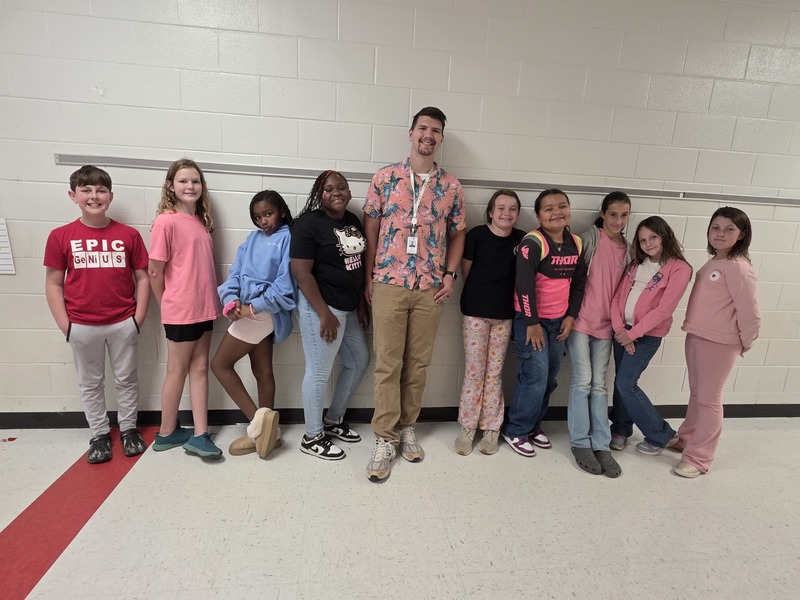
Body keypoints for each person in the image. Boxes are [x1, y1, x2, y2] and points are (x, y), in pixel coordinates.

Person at [362, 106, 466, 481]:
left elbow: (458, 233)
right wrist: (370, 277)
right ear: (411, 133)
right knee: (387, 363)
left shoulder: (450, 186)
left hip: (430, 286)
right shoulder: (385, 178)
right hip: (389, 280)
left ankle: (407, 427)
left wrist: (450, 275)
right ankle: (384, 437)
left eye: (436, 130)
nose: (428, 135)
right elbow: (371, 228)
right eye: (423, 127)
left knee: (418, 363)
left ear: (440, 139)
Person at [44, 165, 150, 464]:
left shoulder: (127, 235)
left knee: (127, 378)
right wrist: (67, 326)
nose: (94, 196)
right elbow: (53, 283)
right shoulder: (60, 236)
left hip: (123, 322)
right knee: (90, 382)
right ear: (73, 195)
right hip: (81, 324)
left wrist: (137, 319)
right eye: (86, 190)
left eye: (101, 190)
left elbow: (142, 278)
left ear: (110, 195)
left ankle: (129, 429)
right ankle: (100, 434)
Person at [673, 207, 760, 478]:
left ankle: (699, 458)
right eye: (715, 228)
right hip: (697, 335)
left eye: (729, 229)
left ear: (741, 233)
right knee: (697, 393)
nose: (720, 234)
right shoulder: (714, 262)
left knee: (710, 399)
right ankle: (687, 438)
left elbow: (751, 312)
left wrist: (745, 342)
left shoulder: (738, 267)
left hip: (720, 342)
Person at [291, 170, 370, 460]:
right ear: (319, 194)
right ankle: (312, 437)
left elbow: (358, 264)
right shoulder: (308, 225)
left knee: (359, 360)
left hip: (348, 307)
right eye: (328, 189)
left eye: (342, 187)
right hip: (322, 308)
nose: (336, 193)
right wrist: (323, 314)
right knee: (319, 371)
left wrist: (361, 304)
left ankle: (333, 420)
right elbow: (301, 273)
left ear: (349, 192)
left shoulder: (352, 220)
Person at [211, 190, 295, 459]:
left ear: (281, 211)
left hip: (263, 312)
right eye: (258, 217)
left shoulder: (288, 239)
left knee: (219, 364)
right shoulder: (253, 238)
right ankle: (271, 435)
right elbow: (235, 272)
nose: (263, 221)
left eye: (268, 214)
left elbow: (285, 286)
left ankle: (257, 428)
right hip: (246, 310)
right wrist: (232, 299)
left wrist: (250, 308)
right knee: (261, 369)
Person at [502, 189, 587, 457]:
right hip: (531, 322)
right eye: (548, 209)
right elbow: (523, 286)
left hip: (558, 322)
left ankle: (533, 425)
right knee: (534, 377)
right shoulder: (533, 242)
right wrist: (532, 322)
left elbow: (579, 284)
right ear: (539, 215)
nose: (556, 212)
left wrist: (571, 316)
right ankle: (516, 429)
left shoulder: (577, 243)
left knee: (549, 379)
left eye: (562, 206)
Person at [149, 158, 223, 459]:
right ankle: (166, 433)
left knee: (200, 368)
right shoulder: (166, 221)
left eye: (195, 181)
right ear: (170, 186)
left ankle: (200, 433)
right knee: (177, 370)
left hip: (205, 307)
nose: (190, 186)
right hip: (181, 309)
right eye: (183, 181)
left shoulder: (203, 222)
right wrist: (167, 304)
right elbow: (155, 270)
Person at [609, 216, 691, 456]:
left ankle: (661, 435)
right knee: (621, 382)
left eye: (653, 237)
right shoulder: (636, 265)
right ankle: (621, 429)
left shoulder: (679, 268)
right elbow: (617, 298)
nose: (648, 243)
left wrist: (633, 334)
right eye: (643, 239)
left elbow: (664, 309)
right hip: (623, 332)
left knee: (626, 383)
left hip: (646, 335)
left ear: (664, 235)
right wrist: (620, 331)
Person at [454, 190, 524, 456]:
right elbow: (466, 271)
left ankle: (492, 427)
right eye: (501, 208)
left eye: (513, 208)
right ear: (491, 212)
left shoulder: (522, 240)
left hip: (505, 316)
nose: (506, 213)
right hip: (475, 313)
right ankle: (467, 427)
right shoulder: (476, 235)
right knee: (474, 372)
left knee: (494, 374)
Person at [567, 192, 631, 477]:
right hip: (580, 322)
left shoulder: (629, 250)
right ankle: (580, 442)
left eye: (624, 215)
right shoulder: (588, 239)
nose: (618, 220)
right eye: (613, 214)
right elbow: (569, 277)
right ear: (603, 213)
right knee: (582, 381)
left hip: (607, 327)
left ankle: (601, 445)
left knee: (599, 385)